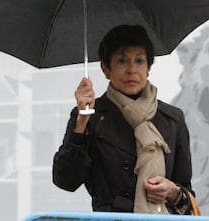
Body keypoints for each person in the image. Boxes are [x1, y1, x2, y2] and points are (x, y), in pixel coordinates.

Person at [52, 24, 194, 214]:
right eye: (122, 61)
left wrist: (173, 191)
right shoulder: (90, 115)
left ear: (149, 67)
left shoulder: (172, 119)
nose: (131, 70)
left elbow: (186, 197)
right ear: (105, 68)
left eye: (139, 61)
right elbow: (66, 181)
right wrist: (82, 122)